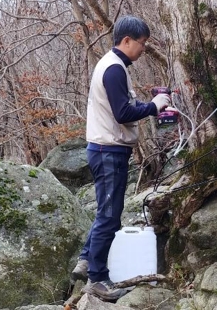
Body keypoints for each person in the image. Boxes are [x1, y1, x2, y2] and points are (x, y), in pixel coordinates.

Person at [71, 15, 170, 302]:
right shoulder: (114, 69)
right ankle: (97, 279)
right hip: (108, 151)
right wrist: (153, 107)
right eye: (142, 44)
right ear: (126, 40)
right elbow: (122, 114)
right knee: (110, 216)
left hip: (105, 149)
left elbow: (123, 106)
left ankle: (87, 259)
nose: (143, 49)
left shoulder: (113, 66)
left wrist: (146, 105)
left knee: (106, 211)